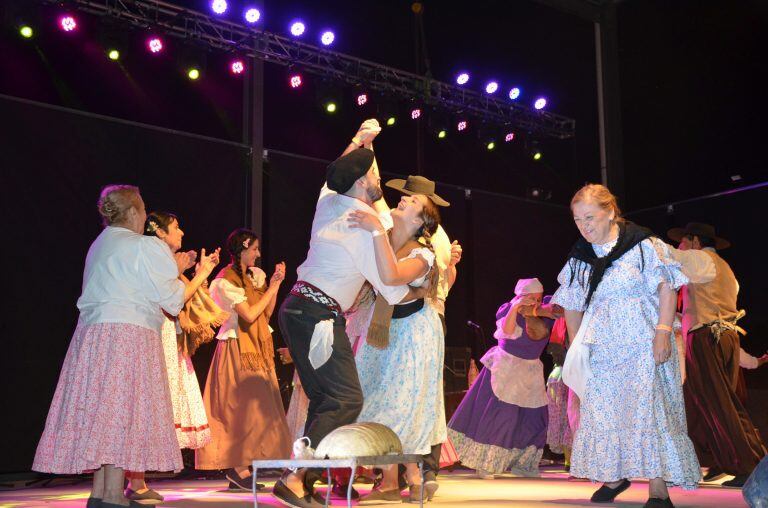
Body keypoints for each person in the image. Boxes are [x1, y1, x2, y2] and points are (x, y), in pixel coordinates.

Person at [32, 185, 217, 508]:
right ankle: (114, 494)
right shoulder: (147, 246)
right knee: (123, 409)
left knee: (103, 409)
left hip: (92, 336)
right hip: (129, 335)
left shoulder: (98, 245)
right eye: (143, 210)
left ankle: (102, 492)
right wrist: (197, 274)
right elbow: (172, 301)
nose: (145, 216)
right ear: (132, 212)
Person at [273, 120, 423, 508]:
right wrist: (418, 283)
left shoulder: (329, 199)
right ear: (360, 183)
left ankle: (300, 479)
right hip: (316, 314)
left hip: (302, 309)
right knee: (344, 400)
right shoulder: (360, 224)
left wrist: (360, 141)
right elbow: (388, 283)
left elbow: (336, 172)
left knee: (327, 400)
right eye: (371, 171)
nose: (378, 175)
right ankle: (294, 476)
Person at [552, 184, 700, 508]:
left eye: (590, 217)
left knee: (651, 411)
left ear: (610, 213)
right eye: (577, 220)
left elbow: (666, 287)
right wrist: (579, 349)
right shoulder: (581, 256)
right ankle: (615, 478)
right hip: (603, 346)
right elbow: (573, 304)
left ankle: (658, 489)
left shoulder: (642, 244)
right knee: (602, 410)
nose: (584, 226)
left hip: (642, 339)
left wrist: (663, 330)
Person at [348, 176, 449, 503]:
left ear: (421, 221)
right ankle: (390, 480)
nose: (404, 200)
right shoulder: (388, 234)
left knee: (406, 402)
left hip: (413, 331)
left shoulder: (423, 254)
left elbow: (391, 276)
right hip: (383, 327)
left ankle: (414, 474)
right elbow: (377, 201)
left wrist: (376, 229)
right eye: (404, 198)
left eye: (413, 202)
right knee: (374, 398)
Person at [125, 212, 227, 502]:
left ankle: (137, 480)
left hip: (168, 335)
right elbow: (174, 299)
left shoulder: (166, 261)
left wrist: (195, 273)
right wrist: (200, 275)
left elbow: (183, 301)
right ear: (160, 232)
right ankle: (135, 480)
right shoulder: (156, 260)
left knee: (157, 403)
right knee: (149, 402)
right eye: (176, 227)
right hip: (155, 334)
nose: (181, 232)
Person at [667, 222, 767, 487]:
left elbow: (669, 256)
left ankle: (753, 466)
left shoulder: (700, 259)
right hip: (722, 337)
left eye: (684, 242)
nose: (681, 247)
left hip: (706, 339)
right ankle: (719, 460)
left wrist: (638, 240)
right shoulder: (725, 269)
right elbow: (722, 308)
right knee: (698, 404)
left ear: (695, 241)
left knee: (720, 403)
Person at [195, 229, 292, 491]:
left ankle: (244, 468)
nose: (259, 254)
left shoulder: (255, 277)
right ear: (244, 247)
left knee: (255, 411)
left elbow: (265, 315)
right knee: (236, 409)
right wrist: (272, 287)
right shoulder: (225, 281)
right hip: (236, 348)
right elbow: (248, 315)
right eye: (255, 249)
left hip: (257, 349)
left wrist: (275, 284)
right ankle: (237, 468)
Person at [448, 279, 560, 479]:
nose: (535, 301)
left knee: (533, 418)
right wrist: (517, 307)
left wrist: (537, 310)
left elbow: (558, 311)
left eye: (538, 298)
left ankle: (524, 463)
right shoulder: (508, 309)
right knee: (501, 417)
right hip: (507, 367)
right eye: (530, 298)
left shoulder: (545, 310)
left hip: (531, 369)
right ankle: (486, 462)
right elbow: (507, 332)